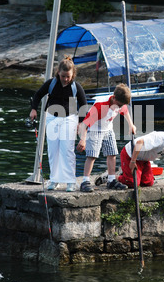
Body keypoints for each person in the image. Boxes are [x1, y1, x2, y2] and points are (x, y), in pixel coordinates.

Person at [29, 56, 87, 192]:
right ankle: (54, 179)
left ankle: (70, 181)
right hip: (52, 118)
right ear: (58, 73)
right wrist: (33, 109)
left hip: (69, 118)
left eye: (68, 76)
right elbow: (38, 95)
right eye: (63, 76)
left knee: (67, 150)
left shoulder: (75, 86)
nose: (65, 79)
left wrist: (81, 123)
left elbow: (84, 105)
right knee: (53, 150)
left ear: (72, 74)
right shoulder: (51, 83)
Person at [76, 83, 136, 192]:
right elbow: (85, 124)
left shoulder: (120, 103)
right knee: (92, 155)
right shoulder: (100, 106)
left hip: (108, 128)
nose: (120, 107)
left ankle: (111, 180)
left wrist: (131, 124)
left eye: (121, 105)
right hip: (95, 129)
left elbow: (125, 111)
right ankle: (85, 182)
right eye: (118, 105)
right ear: (113, 98)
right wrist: (83, 140)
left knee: (112, 153)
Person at [118, 126, 164, 191]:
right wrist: (133, 161)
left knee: (148, 182)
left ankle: (128, 173)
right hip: (130, 155)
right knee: (133, 183)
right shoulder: (158, 138)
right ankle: (117, 177)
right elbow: (139, 142)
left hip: (144, 159)